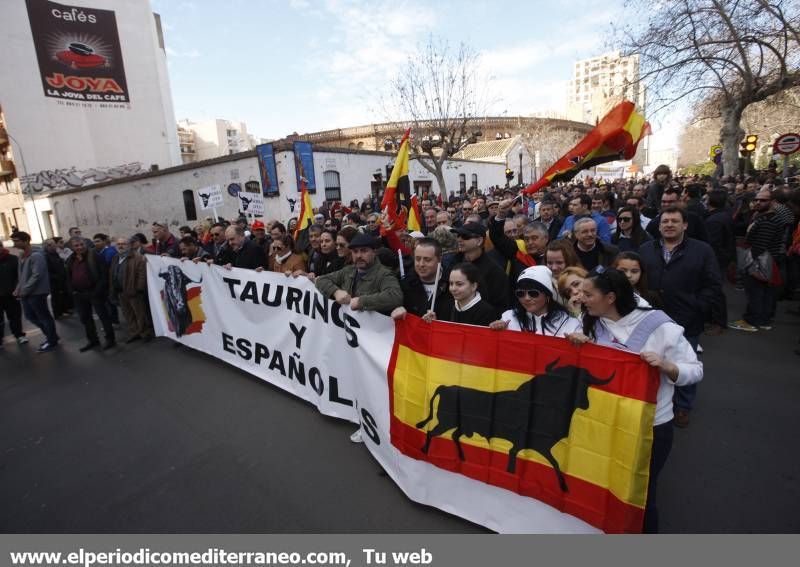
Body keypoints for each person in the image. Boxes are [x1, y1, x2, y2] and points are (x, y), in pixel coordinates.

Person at [566, 267, 702, 533]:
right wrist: (578, 345)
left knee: (640, 494)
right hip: (604, 420)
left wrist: (667, 366)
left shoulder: (661, 326)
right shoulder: (590, 320)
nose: (581, 298)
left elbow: (695, 370)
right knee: (602, 484)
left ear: (611, 298)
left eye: (588, 293)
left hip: (649, 427)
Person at [638, 206, 721, 428]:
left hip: (687, 318)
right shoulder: (646, 249)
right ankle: (655, 401)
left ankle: (683, 406)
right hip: (653, 318)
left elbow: (712, 284)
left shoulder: (702, 251)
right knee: (655, 361)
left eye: (675, 221)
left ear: (685, 225)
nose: (669, 225)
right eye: (665, 221)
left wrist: (699, 306)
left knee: (685, 361)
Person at [729, 189, 785, 332]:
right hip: (768, 261)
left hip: (762, 261)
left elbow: (760, 245)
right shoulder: (769, 217)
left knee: (756, 292)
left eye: (763, 200)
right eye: (757, 200)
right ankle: (763, 320)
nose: (758, 202)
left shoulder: (768, 220)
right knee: (765, 293)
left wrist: (751, 264)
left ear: (772, 202)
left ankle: (751, 321)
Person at [315, 233, 403, 316]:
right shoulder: (348, 270)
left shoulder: (384, 274)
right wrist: (336, 292)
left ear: (374, 252)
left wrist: (361, 302)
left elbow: (395, 296)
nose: (359, 256)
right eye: (355, 251)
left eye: (364, 251)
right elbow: (321, 280)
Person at [490, 266, 581, 336]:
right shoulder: (508, 318)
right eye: (520, 293)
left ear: (547, 295)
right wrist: (495, 331)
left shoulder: (569, 323)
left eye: (533, 293)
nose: (527, 298)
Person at [66, 236, 116, 351]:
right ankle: (93, 340)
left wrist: (96, 292)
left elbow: (104, 276)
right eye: (76, 246)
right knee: (85, 318)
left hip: (94, 292)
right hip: (79, 294)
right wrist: (72, 290)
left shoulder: (95, 256)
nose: (79, 247)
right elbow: (68, 276)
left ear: (85, 244)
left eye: (81, 245)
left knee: (103, 316)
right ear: (72, 247)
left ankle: (110, 339)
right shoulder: (71, 259)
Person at [11, 231, 58, 352]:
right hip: (27, 292)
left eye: (17, 241)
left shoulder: (36, 255)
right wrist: (18, 288)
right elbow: (21, 275)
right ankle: (51, 335)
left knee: (43, 316)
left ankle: (52, 340)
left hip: (37, 292)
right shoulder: (22, 255)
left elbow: (37, 275)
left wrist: (24, 290)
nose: (14, 243)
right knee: (30, 316)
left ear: (26, 241)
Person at [449, 223, 509, 316]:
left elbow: (501, 306)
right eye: (458, 235)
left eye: (465, 236)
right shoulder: (454, 262)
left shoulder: (494, 271)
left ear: (479, 240)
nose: (459, 239)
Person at [391, 238, 453, 322]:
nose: (421, 264)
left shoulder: (453, 285)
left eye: (427, 260)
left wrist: (438, 323)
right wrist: (396, 311)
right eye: (418, 259)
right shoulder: (404, 284)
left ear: (439, 259)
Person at [109, 237, 152, 343]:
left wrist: (138, 289)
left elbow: (142, 275)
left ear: (129, 246)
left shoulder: (138, 258)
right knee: (128, 314)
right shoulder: (115, 257)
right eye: (118, 244)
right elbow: (112, 272)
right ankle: (134, 332)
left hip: (133, 292)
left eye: (123, 244)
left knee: (140, 314)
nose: (120, 246)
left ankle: (145, 333)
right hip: (120, 291)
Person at [704, 190, 735, 334]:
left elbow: (713, 244)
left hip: (717, 260)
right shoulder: (723, 216)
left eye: (706, 199)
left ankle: (719, 323)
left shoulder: (715, 220)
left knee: (715, 291)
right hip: (722, 258)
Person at [433, 262, 496, 326]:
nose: (453, 288)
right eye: (451, 283)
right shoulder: (447, 306)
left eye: (459, 284)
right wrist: (434, 323)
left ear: (474, 286)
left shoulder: (486, 312)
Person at [0, 240, 27, 348]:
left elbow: (19, 276)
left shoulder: (12, 259)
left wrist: (17, 288)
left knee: (15, 316)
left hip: (11, 294)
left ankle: (19, 335)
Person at [43, 238, 70, 319]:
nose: (55, 245)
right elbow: (47, 270)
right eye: (53, 244)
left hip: (61, 278)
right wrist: (56, 277)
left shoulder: (55, 253)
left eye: (54, 243)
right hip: (54, 281)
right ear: (48, 246)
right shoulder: (46, 256)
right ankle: (58, 314)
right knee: (56, 297)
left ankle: (64, 310)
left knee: (62, 295)